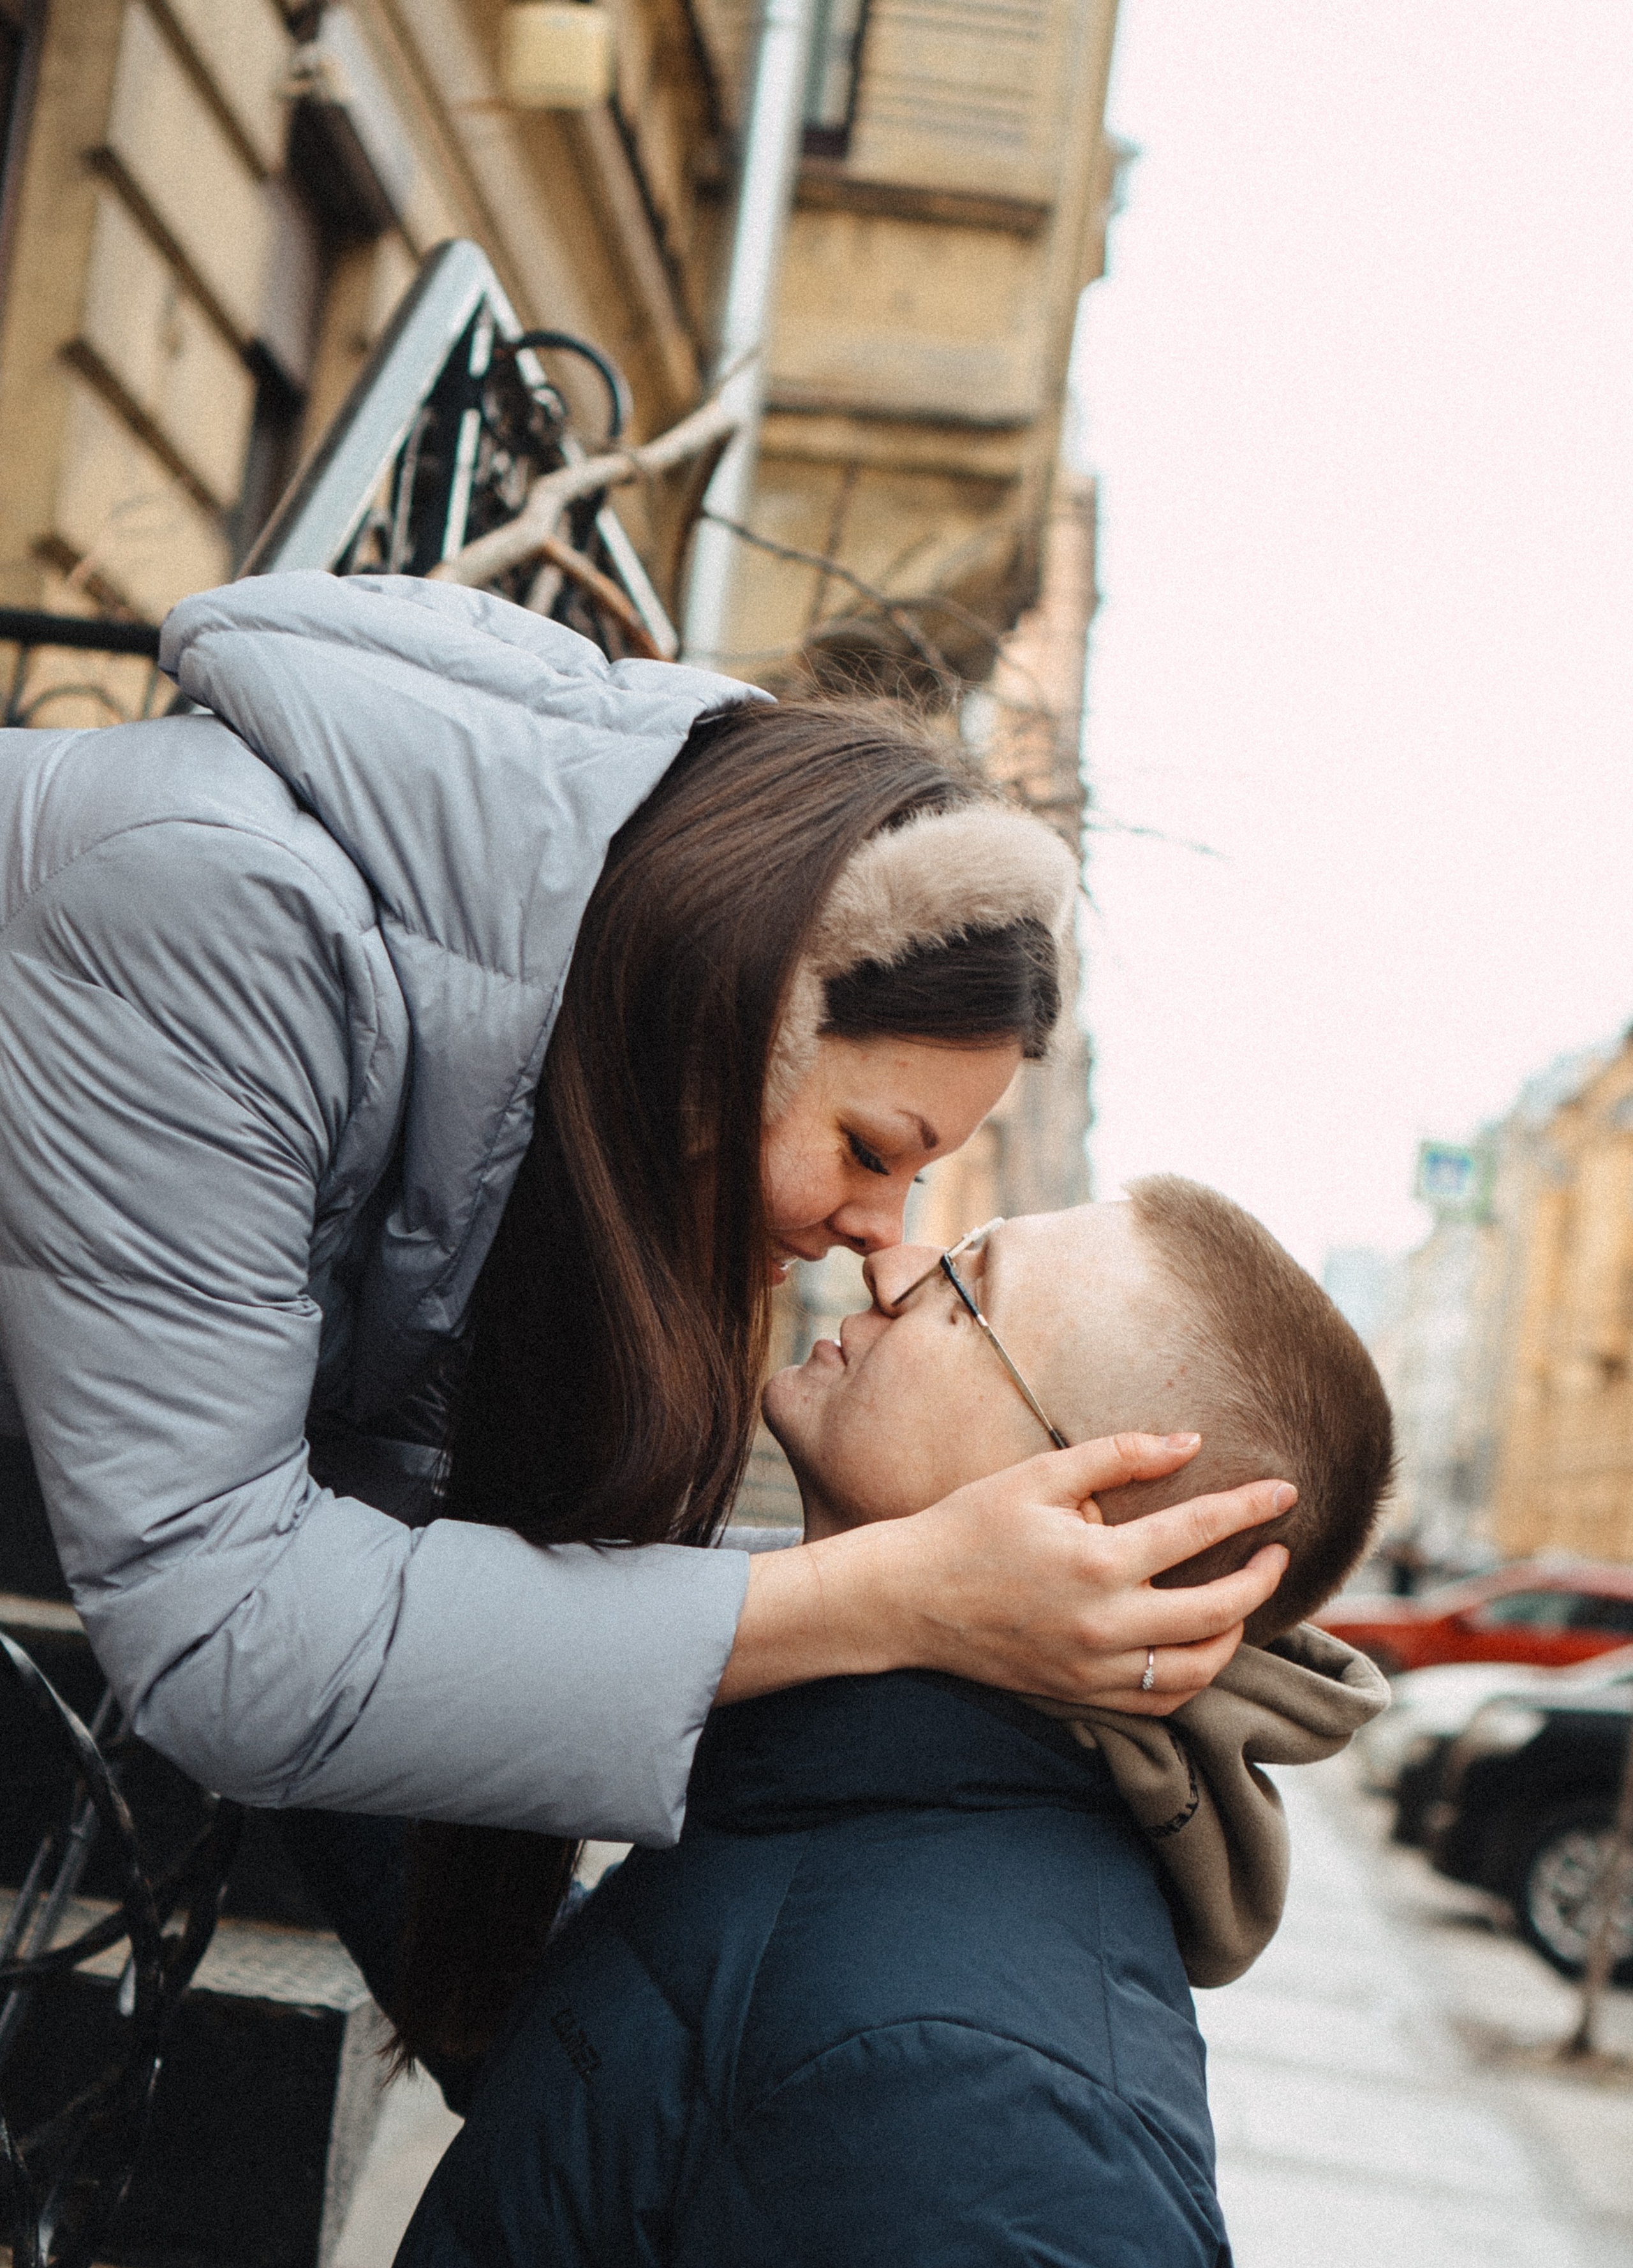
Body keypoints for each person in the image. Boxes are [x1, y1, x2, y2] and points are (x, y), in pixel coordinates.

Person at [0, 572, 1292, 2042]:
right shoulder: (221, 913)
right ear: (726, 1004)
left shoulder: (505, 1074)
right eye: (870, 1152)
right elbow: (230, 1632)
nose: (880, 1242)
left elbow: (402, 1567)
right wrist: (894, 1594)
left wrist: (538, 2083)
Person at [354, 1180, 1394, 2268]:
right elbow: (616, 2101)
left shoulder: (973, 2093)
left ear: (1083, 1524)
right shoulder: (845, 1801)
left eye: (965, 1287)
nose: (889, 1266)